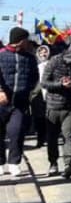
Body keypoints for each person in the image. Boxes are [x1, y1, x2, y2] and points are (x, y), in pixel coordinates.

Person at [40, 41, 71, 178]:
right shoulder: (54, 61)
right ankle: (53, 163)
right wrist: (60, 84)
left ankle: (68, 164)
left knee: (68, 135)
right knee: (52, 138)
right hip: (53, 106)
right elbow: (44, 82)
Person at [0, 28, 41, 176]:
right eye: (26, 40)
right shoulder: (2, 55)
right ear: (20, 40)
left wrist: (28, 91)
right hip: (2, 102)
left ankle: (14, 162)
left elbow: (35, 76)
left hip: (20, 102)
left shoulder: (29, 58)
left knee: (16, 132)